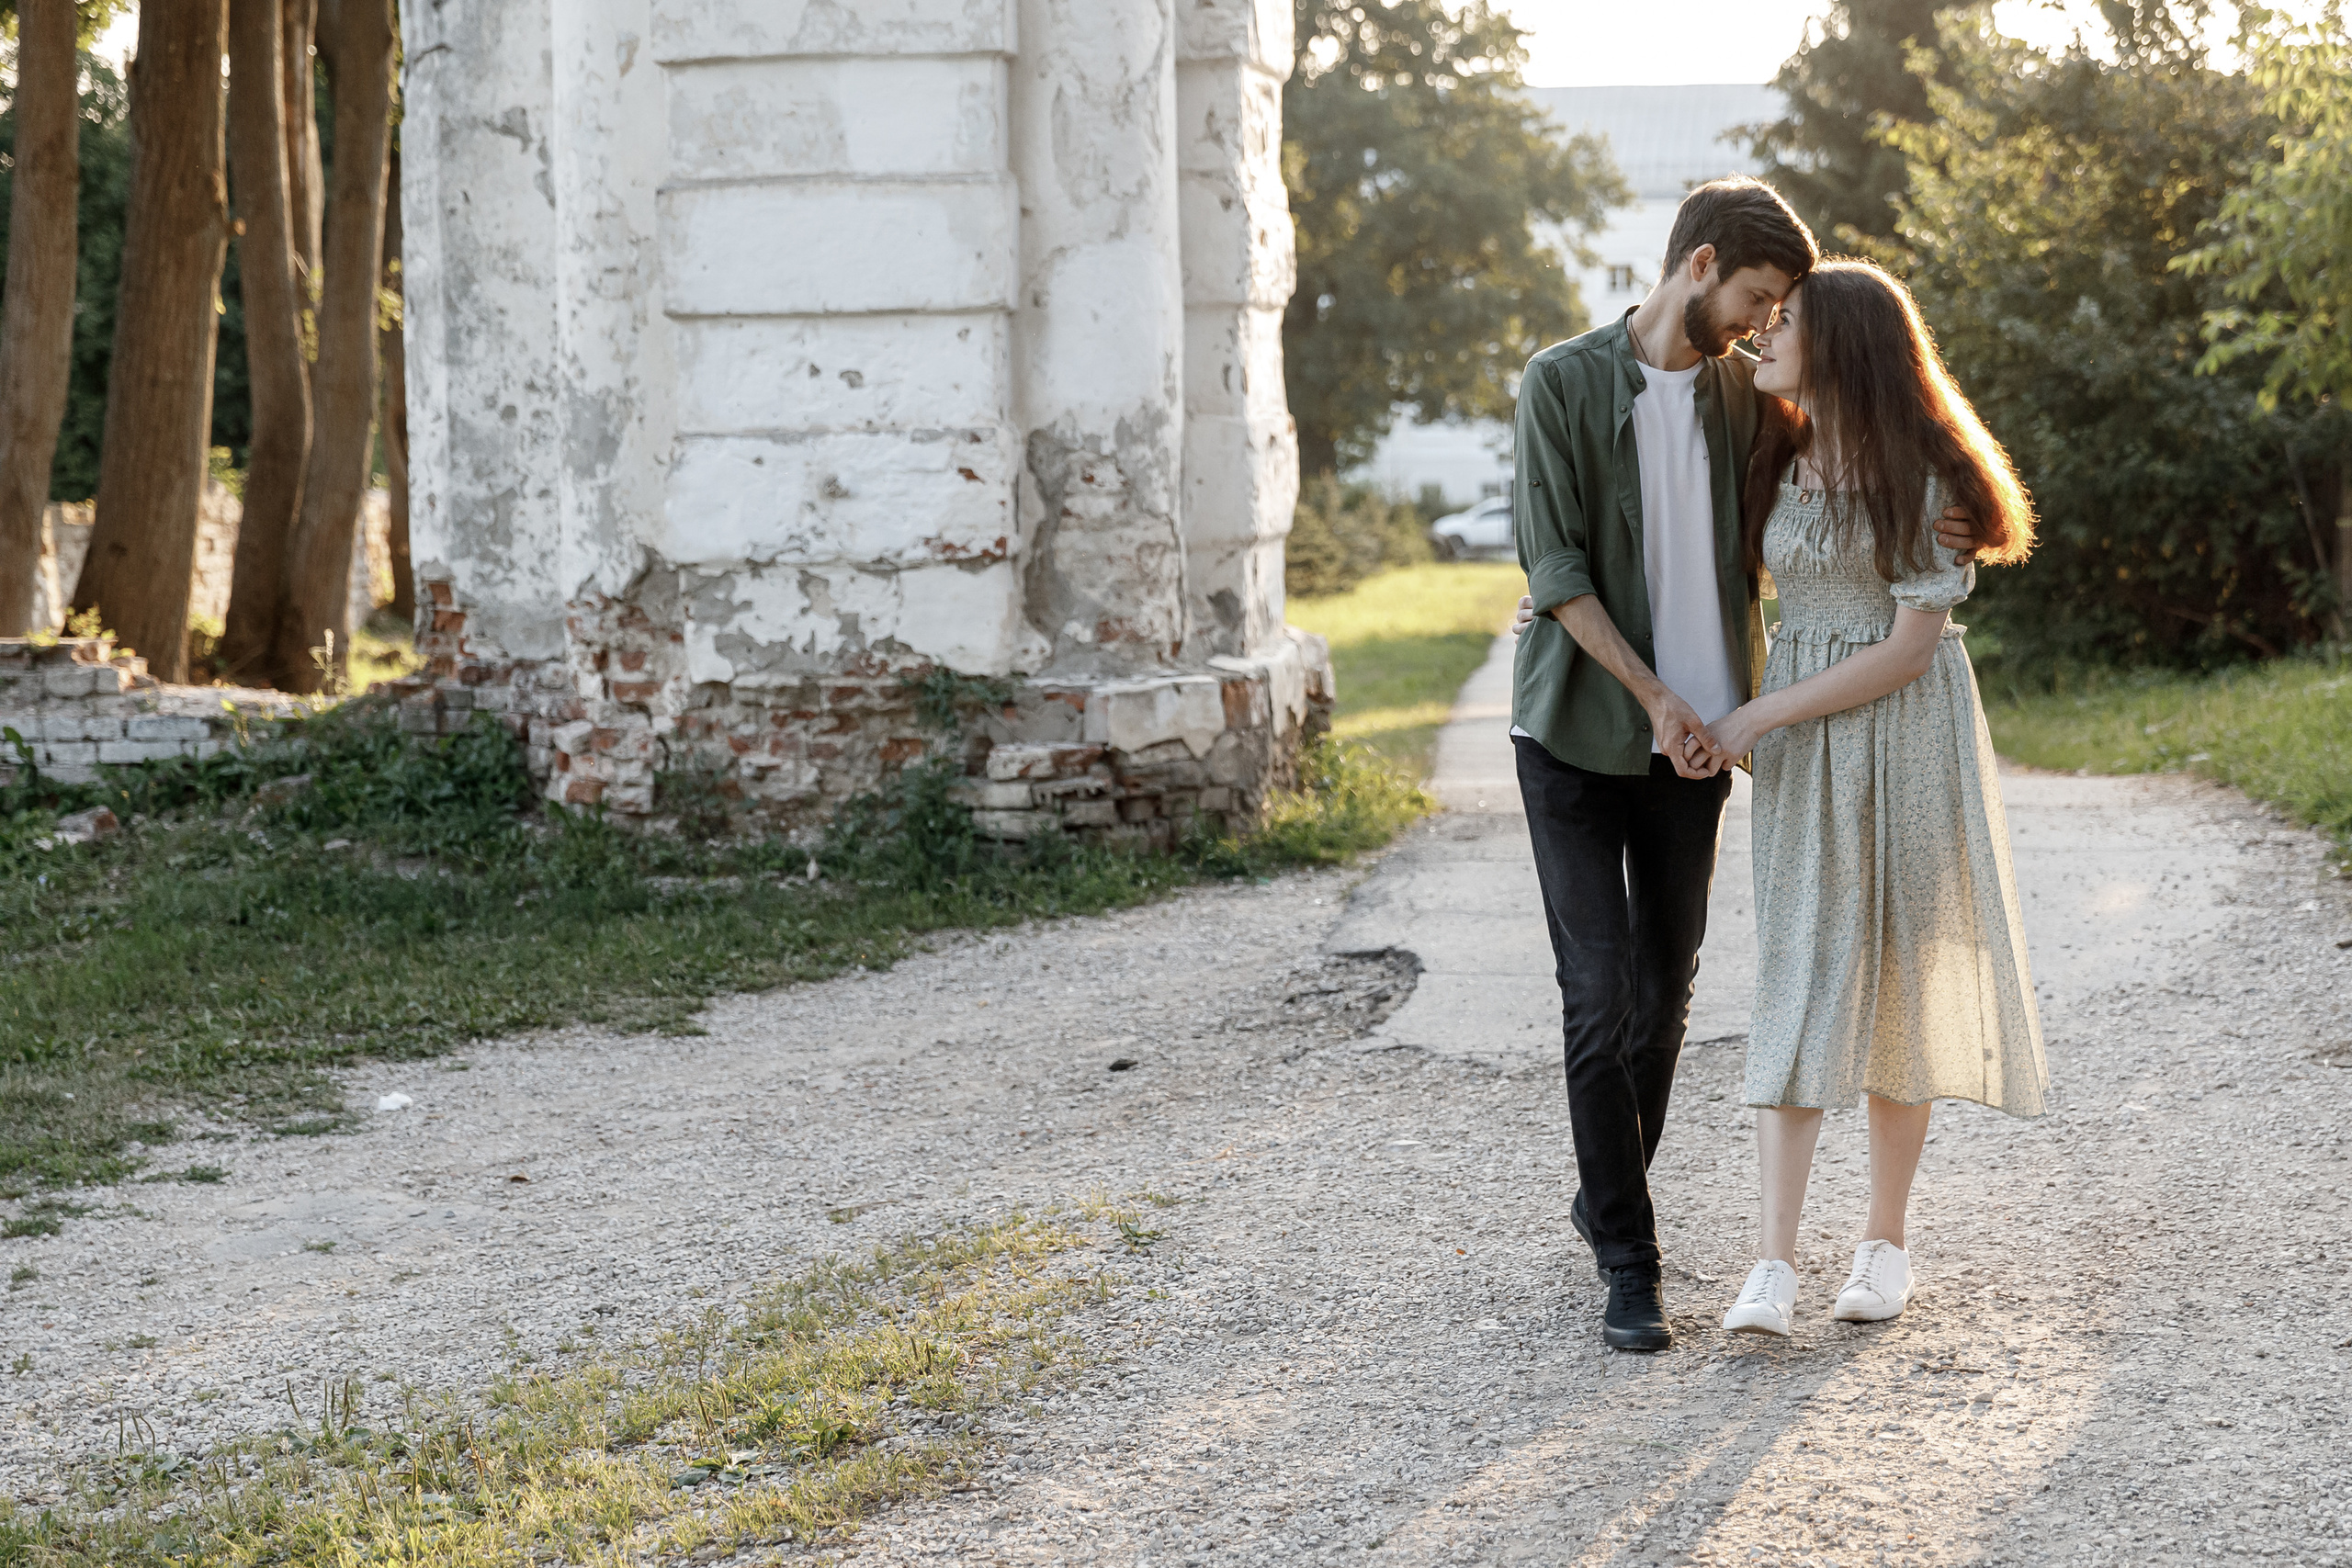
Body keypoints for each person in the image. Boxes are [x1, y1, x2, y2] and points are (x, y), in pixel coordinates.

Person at [1509, 179, 1979, 1352]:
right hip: (1583, 729)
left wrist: (1962, 493)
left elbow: (1874, 410)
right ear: (1701, 264)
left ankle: (1618, 1186)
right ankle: (1630, 1255)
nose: (1768, 325)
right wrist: (1644, 683)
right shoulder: (1561, 382)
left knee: (1665, 991)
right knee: (1598, 992)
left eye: (1781, 311)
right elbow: (1556, 563)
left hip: (1705, 744)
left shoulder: (1745, 397)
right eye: (1759, 300)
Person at [1679, 258, 2045, 1337]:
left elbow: (1903, 652)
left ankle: (1883, 1243)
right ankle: (1772, 1263)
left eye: (1782, 324)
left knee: (1895, 973)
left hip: (1905, 735)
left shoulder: (1922, 474)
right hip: (1804, 747)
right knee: (1797, 969)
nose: (1760, 338)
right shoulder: (1774, 454)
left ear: (1839, 345)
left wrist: (1757, 717)